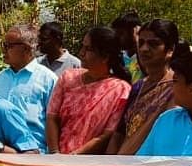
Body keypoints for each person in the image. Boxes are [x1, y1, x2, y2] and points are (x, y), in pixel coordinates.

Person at [45, 26, 132, 154]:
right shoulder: (68, 78)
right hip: (57, 160)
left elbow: (108, 134)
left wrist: (75, 156)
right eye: (82, 47)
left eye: (88, 49)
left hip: (90, 164)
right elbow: (51, 117)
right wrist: (55, 153)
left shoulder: (120, 90)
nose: (81, 53)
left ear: (105, 56)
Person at [107, 19, 180, 155]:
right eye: (141, 43)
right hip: (122, 165)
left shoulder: (177, 88)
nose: (143, 49)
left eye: (153, 44)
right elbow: (120, 133)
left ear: (170, 50)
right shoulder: (138, 87)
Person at [0, 24, 58, 153]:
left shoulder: (48, 79)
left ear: (26, 49)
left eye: (8, 46)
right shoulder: (0, 78)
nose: (3, 50)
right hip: (0, 152)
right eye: (3, 45)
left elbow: (55, 122)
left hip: (32, 156)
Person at [112, 12, 143, 81]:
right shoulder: (120, 56)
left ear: (133, 31)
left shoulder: (146, 56)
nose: (117, 38)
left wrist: (137, 40)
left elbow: (146, 71)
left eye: (121, 34)